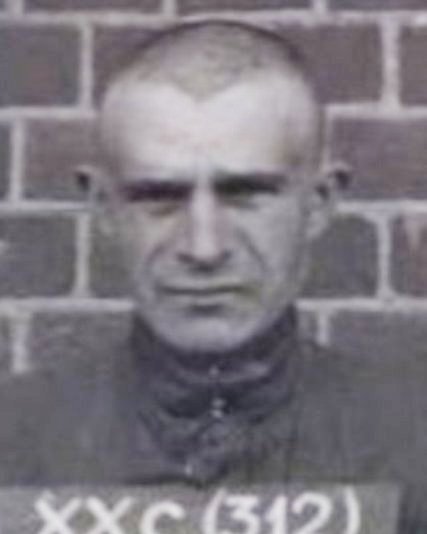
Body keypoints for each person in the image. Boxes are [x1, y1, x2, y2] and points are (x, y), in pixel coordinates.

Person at [0, 19, 426, 532]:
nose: (203, 247)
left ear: (319, 202)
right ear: (104, 207)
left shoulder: (412, 439)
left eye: (245, 195)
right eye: (158, 197)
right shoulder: (12, 441)